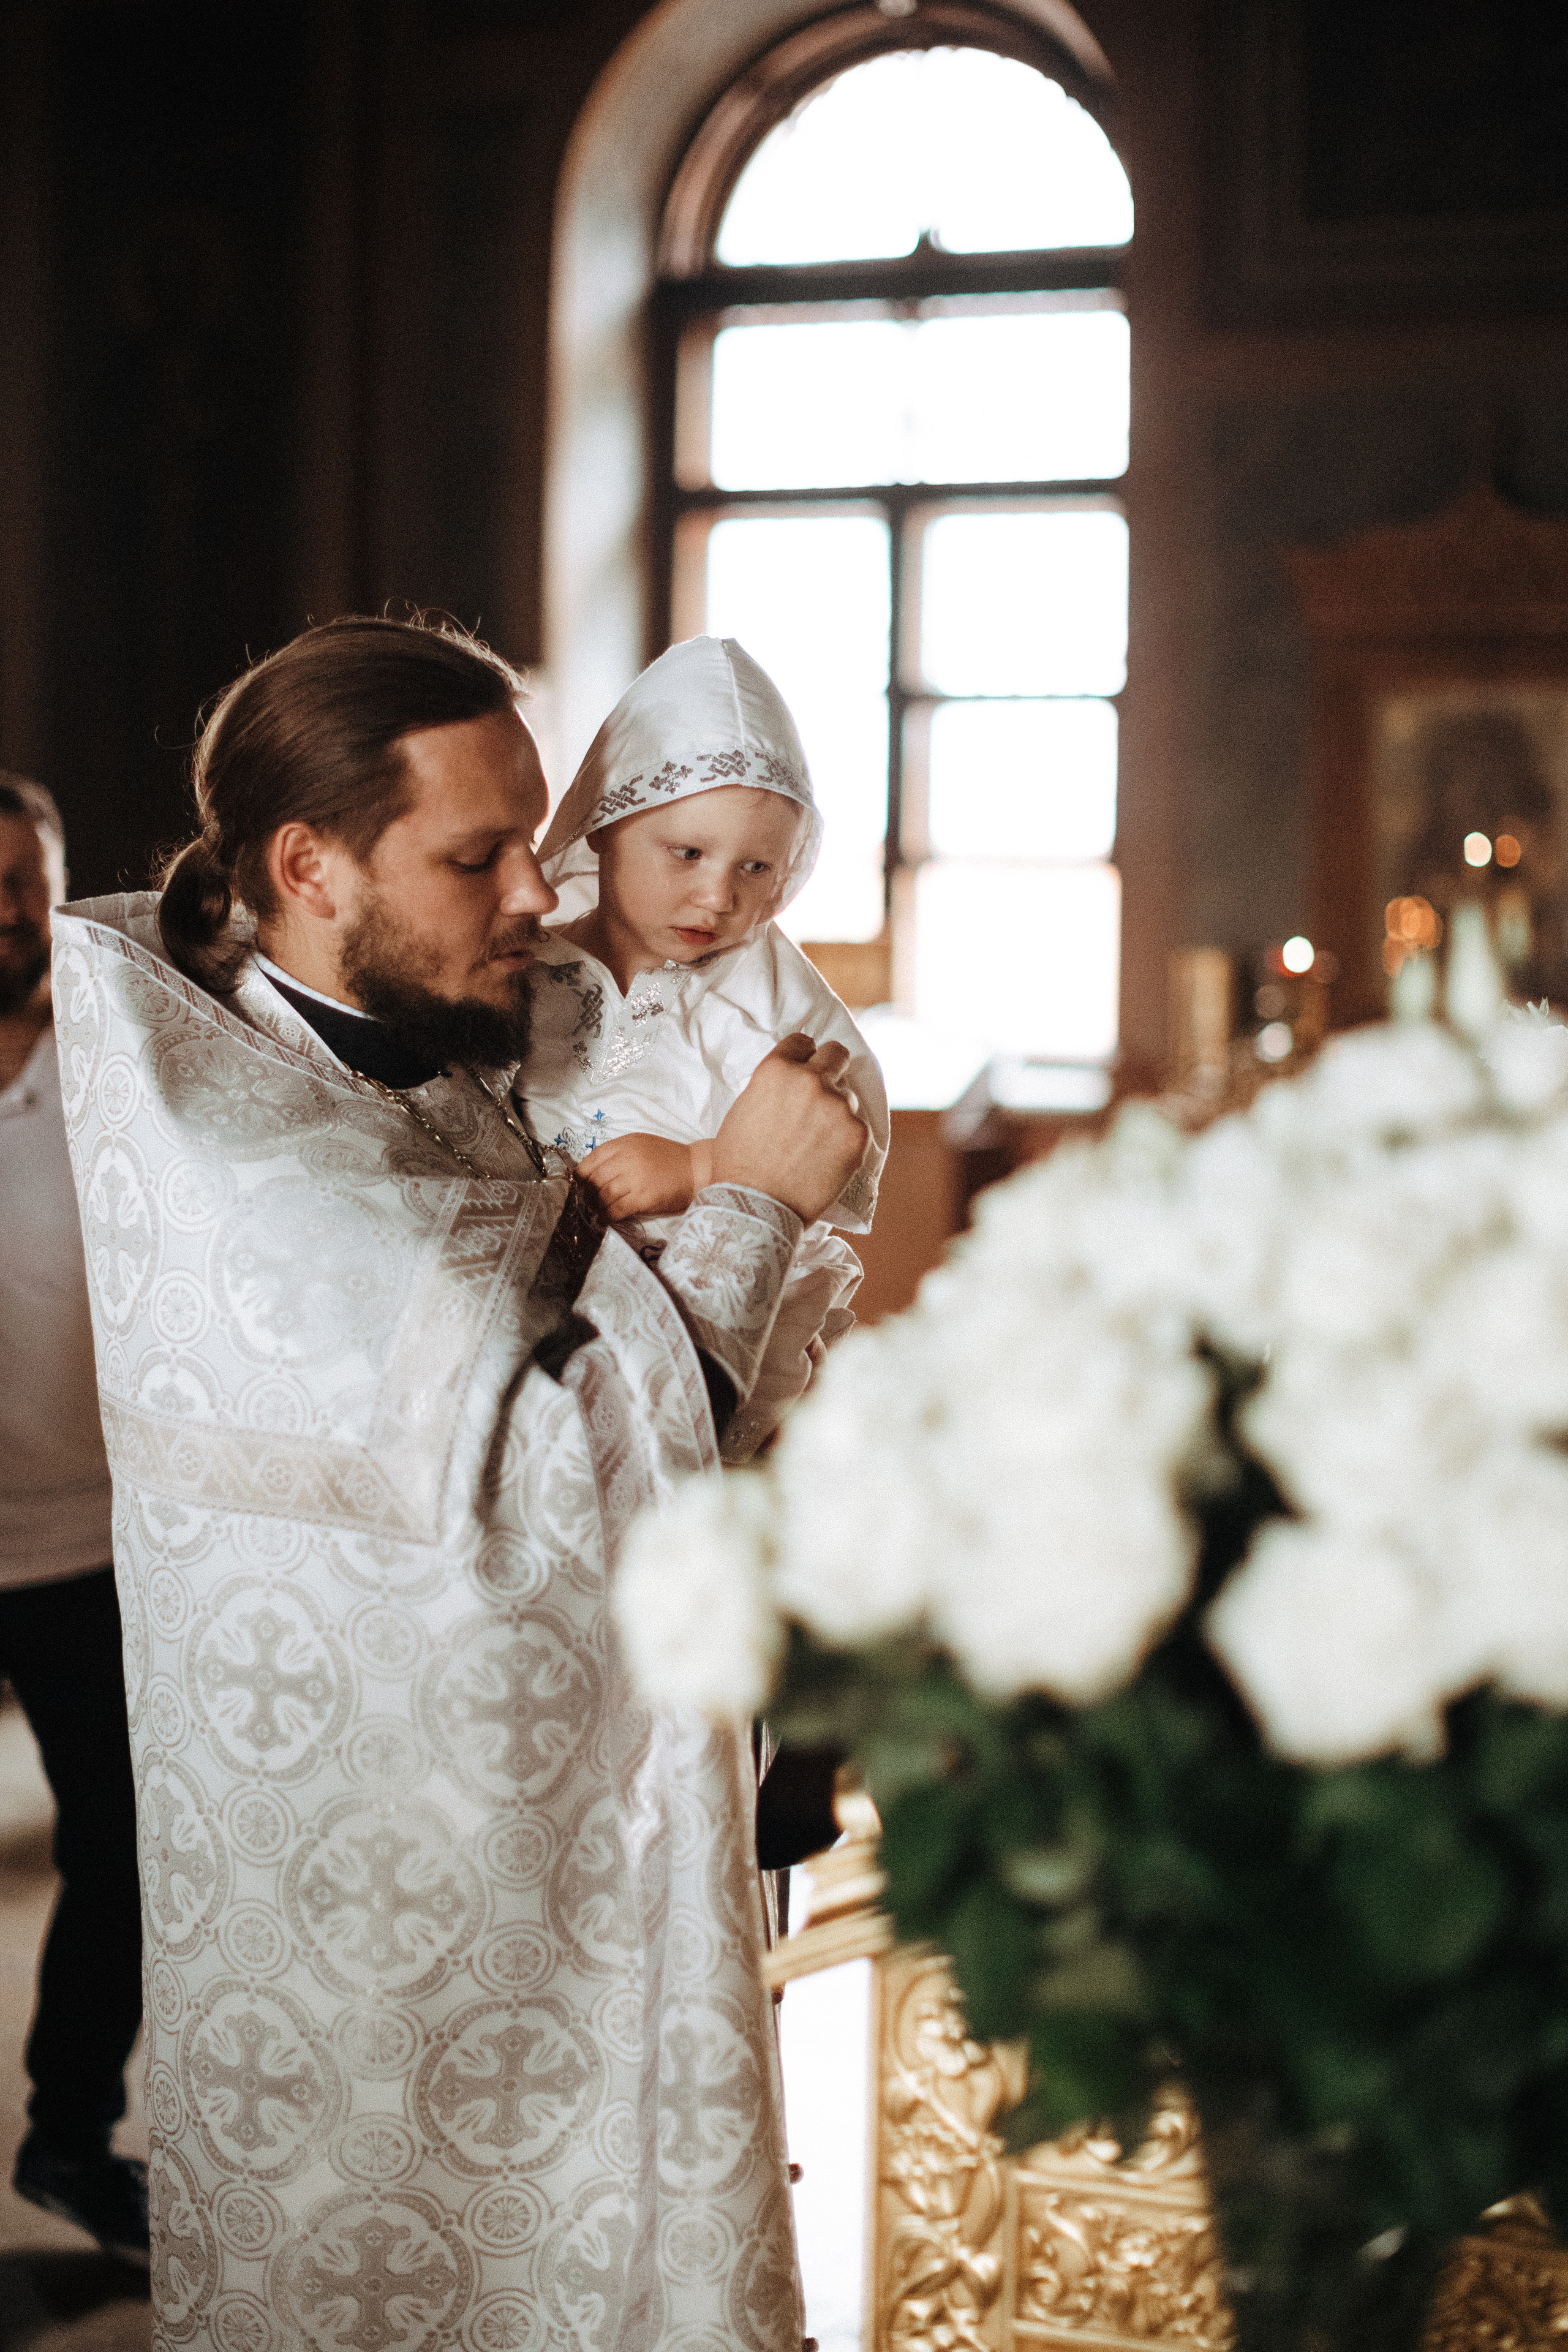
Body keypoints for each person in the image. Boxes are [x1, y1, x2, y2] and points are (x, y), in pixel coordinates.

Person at [52, 616, 868, 2346]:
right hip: (394, 1953)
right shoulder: (255, 1161)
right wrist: (753, 1199)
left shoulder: (438, 1036)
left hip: (520, 1853)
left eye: (535, 838)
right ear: (310, 868)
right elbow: (580, 1485)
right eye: (477, 856)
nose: (539, 891)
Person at [525, 635, 889, 1460]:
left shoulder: (767, 993)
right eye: (687, 854)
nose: (718, 895)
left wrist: (702, 1165)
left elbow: (843, 1132)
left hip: (719, 1284)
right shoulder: (527, 963)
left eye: (756, 869)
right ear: (606, 827)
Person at [0, 774, 146, 2264]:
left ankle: (68, 2137)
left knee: (123, 1848)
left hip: (90, 1540)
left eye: (19, 882)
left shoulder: (114, 1063)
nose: (0, 912)